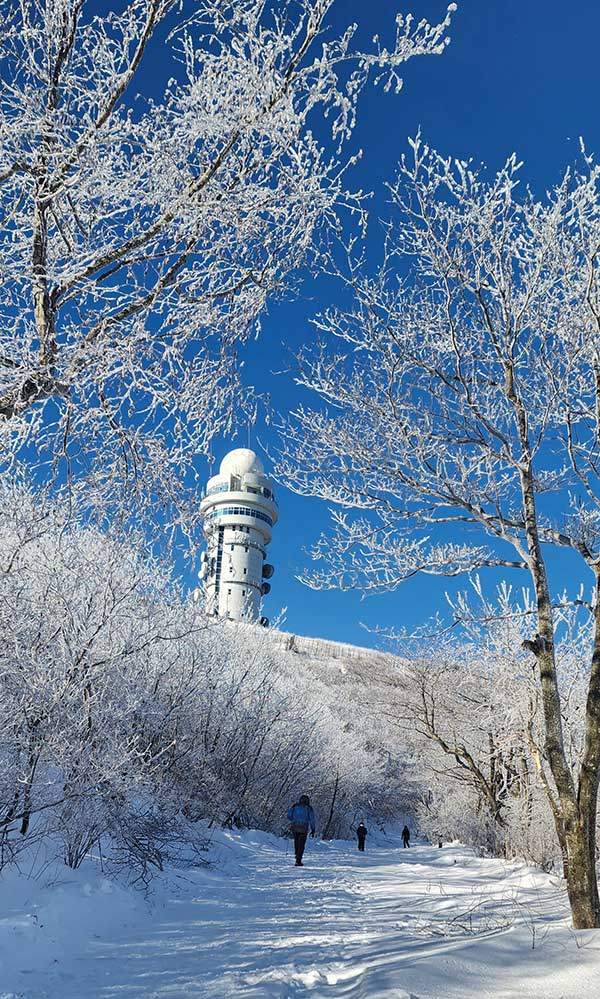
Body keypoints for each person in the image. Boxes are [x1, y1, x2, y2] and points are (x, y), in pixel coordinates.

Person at [287, 795, 316, 866]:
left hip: (295, 826)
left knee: (296, 842)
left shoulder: (294, 806)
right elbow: (312, 819)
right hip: (304, 827)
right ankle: (298, 859)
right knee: (302, 844)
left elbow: (289, 816)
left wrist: (293, 819)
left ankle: (297, 855)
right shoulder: (309, 808)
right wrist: (313, 829)